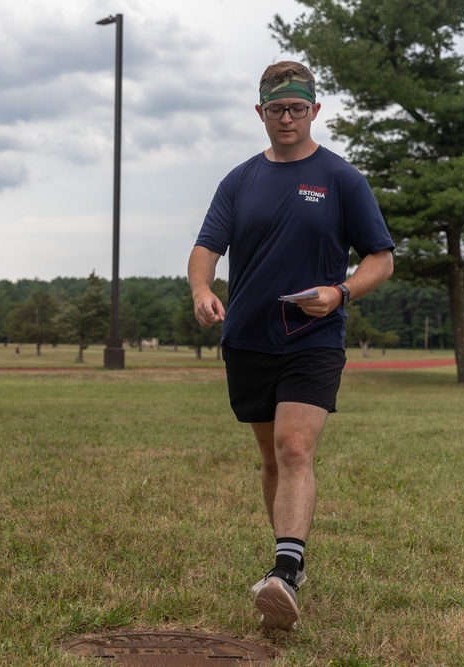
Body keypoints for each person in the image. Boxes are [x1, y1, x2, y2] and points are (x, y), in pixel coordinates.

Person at [188, 61, 395, 631]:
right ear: (260, 113)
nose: (286, 117)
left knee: (296, 448)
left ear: (314, 112)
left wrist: (340, 291)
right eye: (276, 109)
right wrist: (202, 289)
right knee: (272, 458)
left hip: (313, 337)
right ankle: (287, 561)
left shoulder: (341, 178)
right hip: (248, 339)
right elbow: (206, 246)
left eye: (297, 108)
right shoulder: (239, 180)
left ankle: (285, 572)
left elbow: (382, 256)